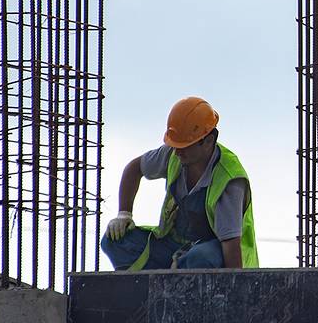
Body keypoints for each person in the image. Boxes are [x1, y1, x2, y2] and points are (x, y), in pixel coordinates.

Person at [100, 96, 258, 270]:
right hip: (174, 246)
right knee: (114, 241)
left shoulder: (229, 180)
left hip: (212, 253)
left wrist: (235, 290)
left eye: (185, 146)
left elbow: (231, 247)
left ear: (208, 141)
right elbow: (134, 169)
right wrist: (124, 214)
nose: (178, 152)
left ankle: (184, 284)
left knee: (199, 258)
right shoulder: (173, 153)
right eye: (176, 145)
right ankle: (148, 289)